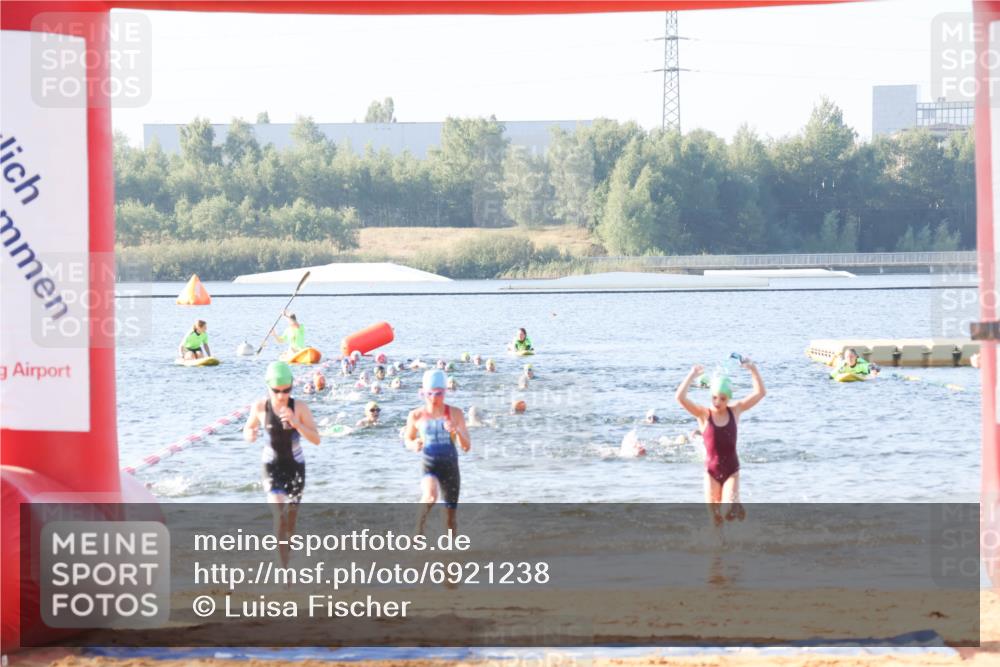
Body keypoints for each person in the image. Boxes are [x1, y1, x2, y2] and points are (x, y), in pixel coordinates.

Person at [242, 361, 321, 567]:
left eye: (286, 390)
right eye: (276, 391)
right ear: (268, 387)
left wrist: (296, 423)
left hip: (295, 467)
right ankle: (283, 570)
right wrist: (250, 434)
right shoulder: (260, 407)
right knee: (280, 514)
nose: (281, 396)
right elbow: (248, 428)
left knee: (291, 521)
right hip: (271, 466)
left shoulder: (300, 407)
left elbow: (316, 439)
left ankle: (289, 556)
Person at [675, 359, 766, 527]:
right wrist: (692, 375)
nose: (717, 402)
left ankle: (735, 506)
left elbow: (760, 393)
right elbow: (680, 398)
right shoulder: (703, 414)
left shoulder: (735, 410)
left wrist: (753, 370)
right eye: (714, 397)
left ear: (728, 398)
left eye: (722, 399)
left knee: (726, 511)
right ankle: (718, 551)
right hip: (711, 472)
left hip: (732, 470)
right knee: (715, 519)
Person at [404, 369, 471, 534]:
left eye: (439, 393)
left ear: (445, 392)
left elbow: (466, 446)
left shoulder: (455, 413)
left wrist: (457, 430)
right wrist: (414, 445)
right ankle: (418, 531)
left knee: (450, 523)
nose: (434, 398)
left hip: (450, 466)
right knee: (430, 497)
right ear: (423, 393)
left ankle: (451, 557)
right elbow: (408, 440)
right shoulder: (416, 415)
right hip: (430, 464)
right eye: (430, 394)